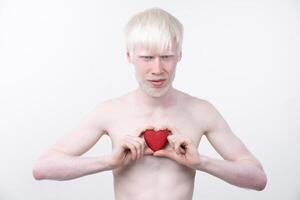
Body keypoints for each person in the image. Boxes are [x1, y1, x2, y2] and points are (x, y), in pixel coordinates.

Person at [32, 7, 267, 200]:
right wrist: (109, 161)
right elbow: (43, 168)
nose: (157, 70)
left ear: (179, 55)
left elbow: (257, 178)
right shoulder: (110, 111)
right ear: (129, 56)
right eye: (146, 58)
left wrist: (201, 162)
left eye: (166, 57)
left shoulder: (201, 111)